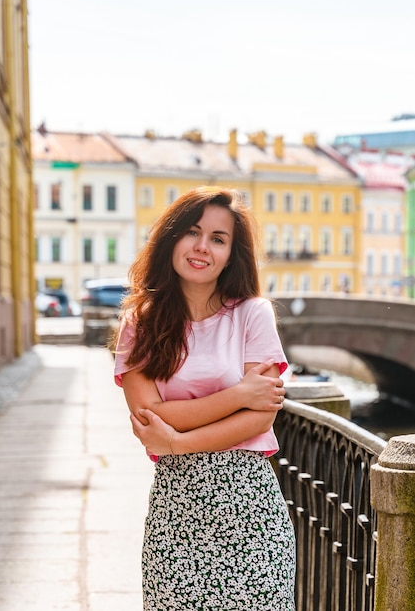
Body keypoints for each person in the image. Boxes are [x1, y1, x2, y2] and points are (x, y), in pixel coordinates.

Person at [113, 186, 296, 610]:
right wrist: (239, 394)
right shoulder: (138, 323)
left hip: (251, 514)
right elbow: (148, 419)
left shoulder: (254, 314)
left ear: (232, 254)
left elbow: (259, 421)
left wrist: (177, 441)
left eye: (218, 238)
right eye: (193, 232)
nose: (202, 247)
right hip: (176, 518)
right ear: (171, 238)